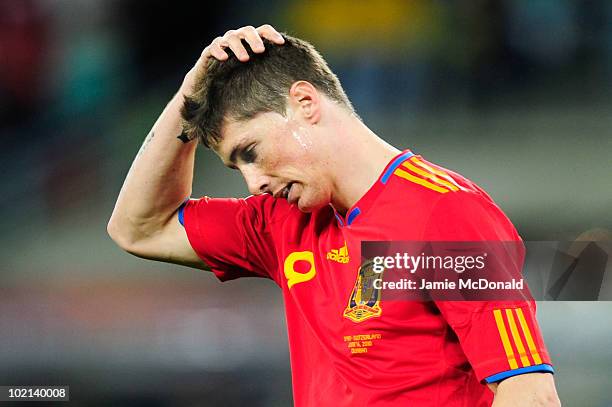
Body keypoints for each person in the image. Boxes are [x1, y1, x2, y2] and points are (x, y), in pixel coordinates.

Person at [108, 25, 561, 406]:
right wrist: (193, 88)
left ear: (304, 103)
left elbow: (528, 390)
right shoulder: (280, 223)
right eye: (236, 167)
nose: (253, 183)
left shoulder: (446, 212)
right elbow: (139, 228)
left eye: (250, 152)